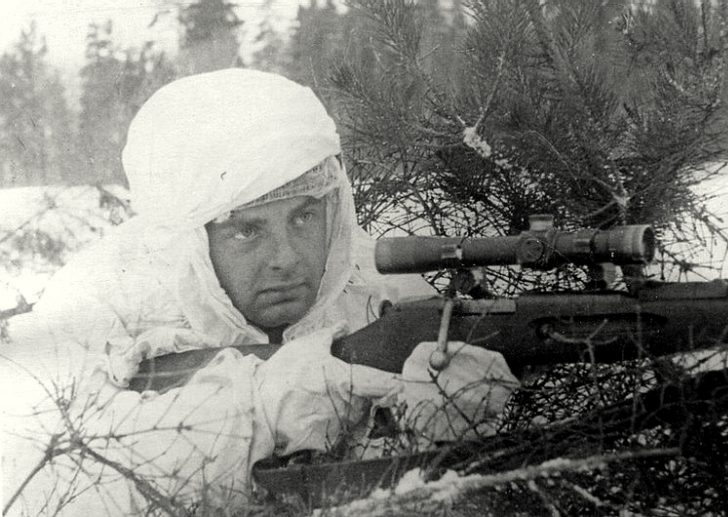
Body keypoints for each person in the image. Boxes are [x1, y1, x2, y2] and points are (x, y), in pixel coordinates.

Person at [1, 69, 518, 515]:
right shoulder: (103, 297)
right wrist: (267, 406)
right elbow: (46, 475)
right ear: (191, 237)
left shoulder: (381, 284)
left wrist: (443, 432)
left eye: (304, 217)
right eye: (247, 231)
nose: (287, 258)